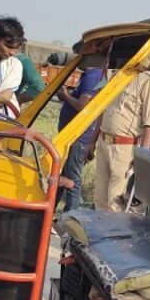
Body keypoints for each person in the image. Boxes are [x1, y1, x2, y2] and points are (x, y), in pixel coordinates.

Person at [89, 69, 150, 211]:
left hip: (124, 148)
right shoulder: (114, 74)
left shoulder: (148, 80)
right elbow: (103, 111)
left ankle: (112, 232)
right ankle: (100, 232)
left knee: (115, 200)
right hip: (103, 142)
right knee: (99, 197)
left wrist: (143, 156)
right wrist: (93, 141)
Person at [55, 67, 103, 211]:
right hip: (74, 136)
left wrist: (66, 96)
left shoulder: (93, 75)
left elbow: (84, 105)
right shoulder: (90, 75)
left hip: (78, 137)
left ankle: (71, 215)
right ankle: (51, 210)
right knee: (64, 176)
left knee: (72, 179)